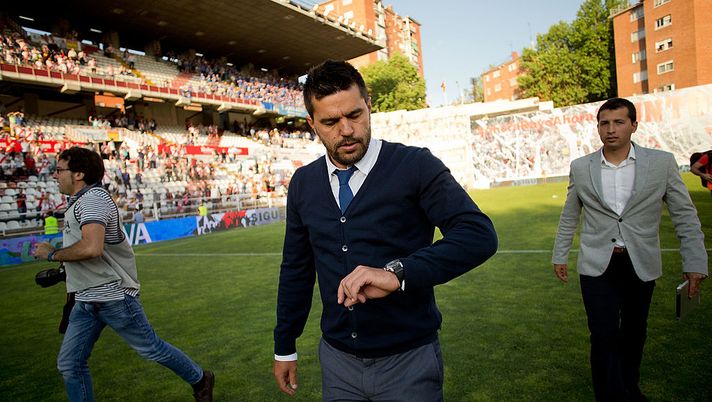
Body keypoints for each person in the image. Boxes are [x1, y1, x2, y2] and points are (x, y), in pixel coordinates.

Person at [273, 60, 498, 401]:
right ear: (312, 124)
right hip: (337, 363)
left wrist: (397, 273)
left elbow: (478, 234)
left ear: (369, 106)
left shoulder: (415, 165)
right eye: (331, 122)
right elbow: (296, 269)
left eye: (355, 115)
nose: (346, 130)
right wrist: (285, 346)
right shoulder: (303, 183)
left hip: (409, 361)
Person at [552, 98, 708, 402]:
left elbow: (685, 216)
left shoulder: (661, 163)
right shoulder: (581, 167)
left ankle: (628, 384)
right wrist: (560, 254)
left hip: (640, 262)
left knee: (635, 332)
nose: (611, 130)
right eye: (604, 123)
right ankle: (610, 395)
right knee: (603, 334)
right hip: (598, 264)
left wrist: (695, 262)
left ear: (634, 125)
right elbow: (570, 214)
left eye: (619, 122)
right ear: (598, 127)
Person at [32, 147, 214, 402]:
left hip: (112, 296)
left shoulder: (93, 199)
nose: (55, 175)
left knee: (151, 348)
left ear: (79, 174)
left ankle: (200, 378)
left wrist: (52, 254)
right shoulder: (80, 202)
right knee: (70, 364)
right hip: (86, 300)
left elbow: (92, 248)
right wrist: (63, 271)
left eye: (60, 170)